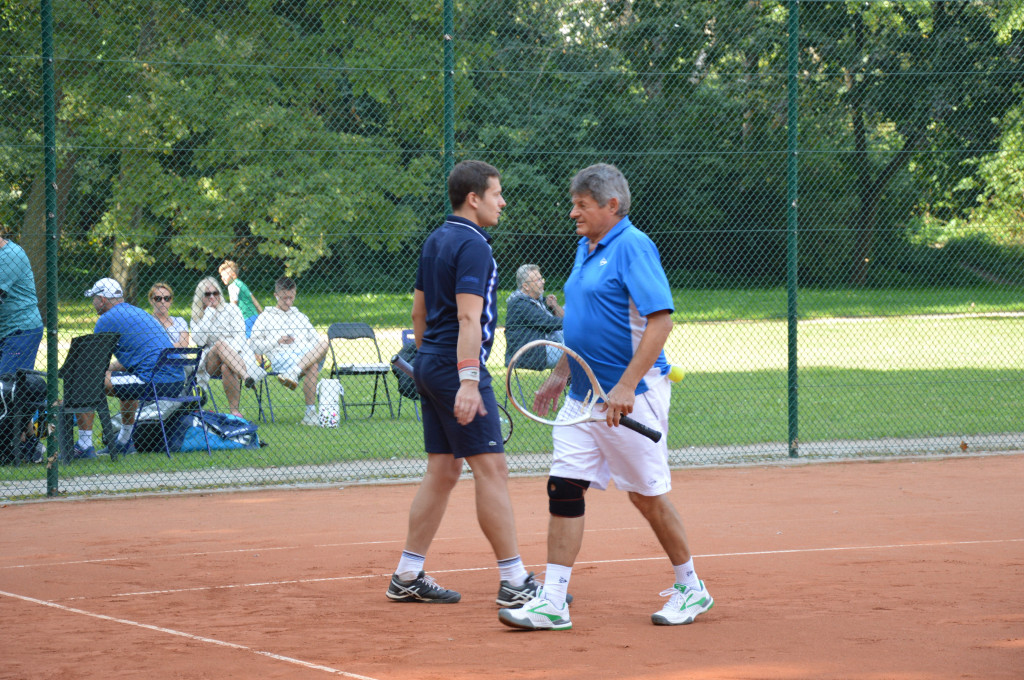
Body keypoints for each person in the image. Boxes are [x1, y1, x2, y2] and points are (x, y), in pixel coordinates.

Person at [498, 163, 712, 631]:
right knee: (564, 486)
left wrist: (625, 386)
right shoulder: (585, 247)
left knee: (646, 497)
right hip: (582, 395)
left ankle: (691, 587)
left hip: (629, 396)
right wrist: (560, 372)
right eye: (574, 202)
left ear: (611, 206)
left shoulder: (634, 246)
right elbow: (581, 318)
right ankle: (553, 601)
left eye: (582, 204)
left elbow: (660, 322)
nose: (573, 212)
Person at [386, 160, 544, 609]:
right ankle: (515, 580)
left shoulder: (436, 239)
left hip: (432, 362)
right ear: (473, 198)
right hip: (458, 366)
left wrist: (430, 363)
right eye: (496, 193)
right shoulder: (475, 246)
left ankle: (407, 574)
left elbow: (418, 316)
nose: (502, 201)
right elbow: (470, 317)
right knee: (492, 469)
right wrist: (468, 380)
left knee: (443, 468)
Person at [70, 278, 185, 460]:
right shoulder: (137, 312)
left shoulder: (105, 320)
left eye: (94, 298)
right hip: (176, 381)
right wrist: (107, 370)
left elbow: (94, 364)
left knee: (84, 380)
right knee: (123, 378)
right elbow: (131, 359)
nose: (93, 303)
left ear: (102, 299)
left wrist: (96, 371)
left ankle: (84, 446)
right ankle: (124, 442)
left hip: (153, 381)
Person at [249, 277, 329, 426]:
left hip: (302, 356)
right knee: (312, 364)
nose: (288, 302)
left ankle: (295, 373)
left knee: (324, 343)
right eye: (284, 298)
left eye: (291, 297)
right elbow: (253, 345)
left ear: (295, 294)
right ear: (276, 295)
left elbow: (316, 341)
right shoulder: (265, 317)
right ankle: (310, 414)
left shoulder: (300, 317)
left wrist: (304, 345)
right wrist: (277, 341)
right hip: (282, 358)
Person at [189, 277, 266, 419]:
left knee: (227, 366)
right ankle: (246, 376)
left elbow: (240, 336)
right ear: (201, 297)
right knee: (219, 345)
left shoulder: (232, 309)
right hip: (211, 362)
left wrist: (229, 354)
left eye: (215, 293)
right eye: (207, 294)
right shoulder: (197, 315)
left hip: (237, 356)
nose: (212, 296)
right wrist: (209, 314)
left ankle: (235, 412)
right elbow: (199, 341)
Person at [504, 264, 564, 369]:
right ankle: (570, 382)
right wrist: (574, 323)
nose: (543, 282)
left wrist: (554, 305)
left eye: (542, 279)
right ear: (526, 286)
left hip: (546, 347)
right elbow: (547, 323)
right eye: (538, 280)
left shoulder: (538, 301)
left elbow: (561, 316)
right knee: (581, 349)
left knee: (582, 344)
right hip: (532, 354)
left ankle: (572, 381)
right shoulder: (519, 303)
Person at [0, 234, 44, 374]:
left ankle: (44, 397)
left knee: (8, 385)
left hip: (21, 330)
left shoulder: (10, 255)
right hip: (5, 329)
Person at [218, 260, 263, 325]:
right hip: (254, 315)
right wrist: (261, 313)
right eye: (221, 276)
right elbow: (253, 299)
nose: (222, 278)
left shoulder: (232, 286)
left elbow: (233, 305)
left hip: (245, 318)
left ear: (233, 275)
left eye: (225, 275)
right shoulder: (241, 284)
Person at [147, 282, 190, 348]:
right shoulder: (147, 322)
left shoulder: (180, 321)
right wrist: (175, 346)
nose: (163, 301)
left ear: (171, 300)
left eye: (166, 298)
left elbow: (184, 345)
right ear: (151, 301)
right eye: (158, 298)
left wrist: (162, 348)